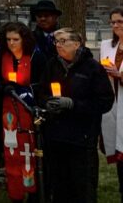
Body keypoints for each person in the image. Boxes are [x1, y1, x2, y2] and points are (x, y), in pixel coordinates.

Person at [38, 27, 114, 202]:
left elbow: (104, 101)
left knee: (82, 187)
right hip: (56, 137)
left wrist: (73, 104)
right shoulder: (52, 65)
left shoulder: (92, 68)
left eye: (63, 41)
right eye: (56, 41)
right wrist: (48, 103)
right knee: (60, 187)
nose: (58, 45)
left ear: (77, 43)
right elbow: (40, 92)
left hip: (82, 139)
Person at [0, 22, 46, 203]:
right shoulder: (2, 56)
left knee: (29, 153)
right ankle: (15, 193)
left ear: (24, 39)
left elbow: (43, 84)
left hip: (29, 112)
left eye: (16, 39)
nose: (11, 43)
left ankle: (32, 191)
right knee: (12, 151)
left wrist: (24, 89)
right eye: (8, 39)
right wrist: (1, 85)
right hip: (8, 114)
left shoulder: (35, 57)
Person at [101, 7, 123, 201]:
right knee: (117, 148)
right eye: (112, 22)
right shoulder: (107, 45)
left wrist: (120, 75)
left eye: (120, 22)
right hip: (113, 102)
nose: (115, 25)